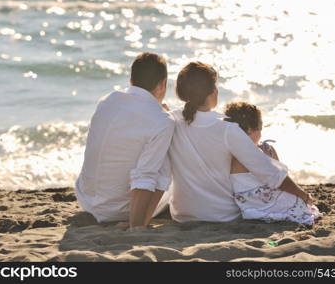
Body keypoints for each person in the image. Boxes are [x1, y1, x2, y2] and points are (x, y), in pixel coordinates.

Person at [168, 61, 314, 223]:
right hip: (222, 216)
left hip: (181, 214)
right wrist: (304, 195)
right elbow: (270, 173)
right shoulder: (226, 129)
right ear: (212, 92)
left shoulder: (171, 120)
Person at [75, 52, 175, 230]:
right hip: (119, 212)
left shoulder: (107, 101)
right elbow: (145, 176)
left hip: (87, 202)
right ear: (162, 84)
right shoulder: (162, 120)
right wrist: (136, 226)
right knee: (165, 153)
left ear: (131, 80)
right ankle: (139, 221)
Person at [225, 102, 321, 224]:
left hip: (247, 204)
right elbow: (280, 180)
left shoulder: (228, 151)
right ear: (250, 129)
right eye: (260, 126)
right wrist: (304, 195)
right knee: (299, 203)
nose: (261, 131)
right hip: (262, 202)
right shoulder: (253, 153)